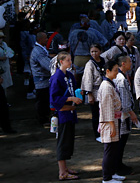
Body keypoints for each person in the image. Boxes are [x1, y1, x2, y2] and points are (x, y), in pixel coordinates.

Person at [49, 51, 83, 181]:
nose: (70, 62)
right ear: (61, 62)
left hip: (69, 112)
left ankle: (64, 168)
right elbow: (54, 99)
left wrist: (77, 97)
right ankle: (62, 172)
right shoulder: (56, 77)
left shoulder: (68, 75)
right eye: (68, 60)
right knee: (62, 142)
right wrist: (70, 98)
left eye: (70, 59)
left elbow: (73, 89)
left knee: (68, 141)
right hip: (62, 113)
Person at [98, 59, 125, 183]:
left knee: (113, 149)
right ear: (107, 71)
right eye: (115, 71)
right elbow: (107, 108)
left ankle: (112, 173)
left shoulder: (109, 84)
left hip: (114, 120)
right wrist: (112, 125)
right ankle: (106, 178)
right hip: (110, 122)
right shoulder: (106, 86)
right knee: (109, 150)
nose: (117, 73)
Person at [114, 55, 139, 176]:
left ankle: (118, 163)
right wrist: (131, 112)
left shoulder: (122, 76)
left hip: (122, 114)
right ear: (123, 64)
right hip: (122, 116)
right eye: (129, 61)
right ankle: (117, 165)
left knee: (121, 142)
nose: (131, 63)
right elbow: (124, 101)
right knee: (120, 142)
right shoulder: (121, 78)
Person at [81, 43, 106, 142]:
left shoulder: (104, 61)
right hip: (95, 90)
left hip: (104, 89)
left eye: (96, 51)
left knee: (104, 112)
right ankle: (97, 133)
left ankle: (105, 131)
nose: (94, 53)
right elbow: (87, 79)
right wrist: (89, 94)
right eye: (92, 52)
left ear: (100, 51)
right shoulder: (90, 64)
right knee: (96, 114)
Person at [30, 31, 52, 125]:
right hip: (41, 80)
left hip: (43, 79)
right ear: (40, 39)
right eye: (46, 38)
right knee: (42, 100)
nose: (47, 39)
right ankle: (42, 119)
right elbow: (47, 65)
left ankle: (43, 117)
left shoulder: (40, 49)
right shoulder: (38, 51)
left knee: (44, 99)